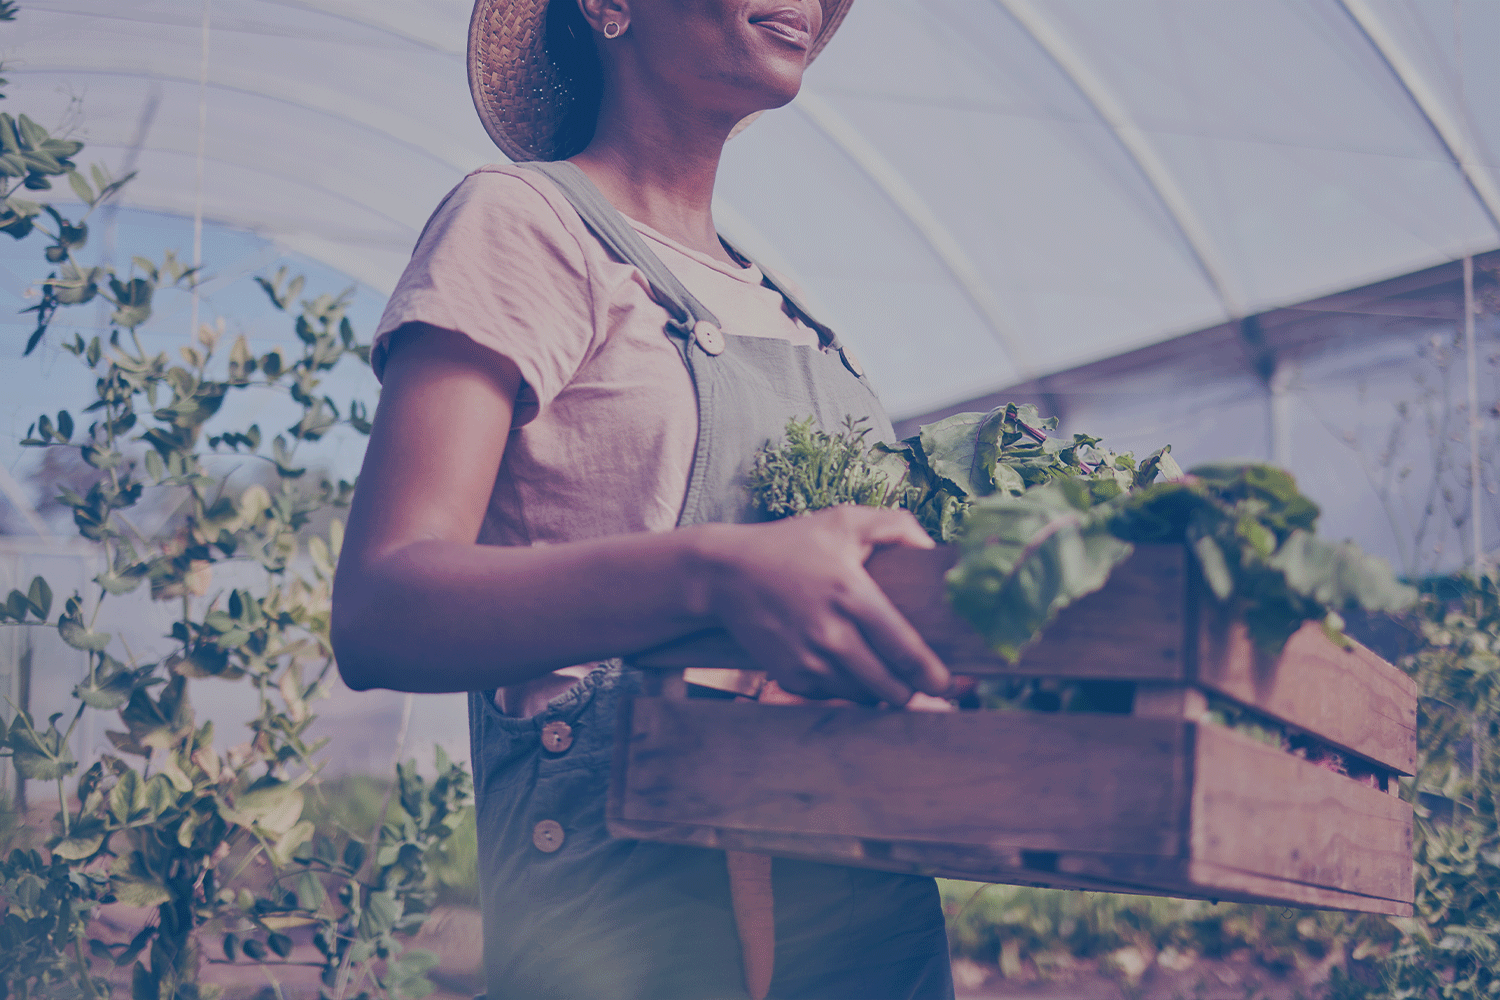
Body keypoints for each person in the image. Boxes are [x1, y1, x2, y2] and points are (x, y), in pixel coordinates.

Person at [331, 0, 957, 996]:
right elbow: (380, 607)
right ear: (609, 6)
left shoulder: (787, 309)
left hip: (864, 919)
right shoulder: (525, 223)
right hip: (633, 926)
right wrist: (715, 576)